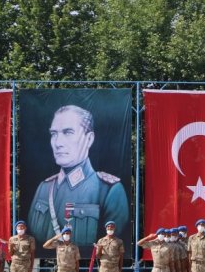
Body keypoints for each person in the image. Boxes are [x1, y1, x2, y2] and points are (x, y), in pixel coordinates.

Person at [27, 105, 129, 249]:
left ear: (89, 139)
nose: (58, 143)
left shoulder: (109, 191)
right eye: (54, 134)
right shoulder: (44, 188)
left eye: (68, 132)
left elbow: (111, 245)